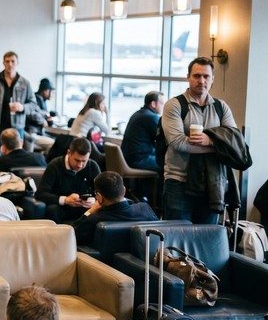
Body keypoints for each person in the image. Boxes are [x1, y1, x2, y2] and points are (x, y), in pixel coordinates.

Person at [162, 57, 237, 224]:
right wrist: (219, 146)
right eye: (196, 76)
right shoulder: (174, 105)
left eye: (206, 76)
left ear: (212, 79)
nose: (201, 81)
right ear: (188, 77)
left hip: (212, 183)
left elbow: (234, 141)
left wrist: (209, 141)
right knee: (177, 238)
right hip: (179, 181)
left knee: (206, 238)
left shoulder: (221, 106)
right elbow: (178, 143)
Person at [0, 51, 37, 159]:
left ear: (17, 63)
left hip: (16, 128)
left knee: (16, 158)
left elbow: (33, 104)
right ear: (3, 63)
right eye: (7, 61)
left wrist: (22, 107)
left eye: (13, 61)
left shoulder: (24, 83)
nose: (10, 64)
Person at [72, 172, 158, 246]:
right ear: (124, 190)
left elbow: (69, 236)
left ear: (99, 197)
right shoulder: (144, 208)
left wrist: (89, 212)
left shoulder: (94, 219)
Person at [37, 137, 101, 224]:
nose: (80, 165)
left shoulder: (92, 166)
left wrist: (93, 200)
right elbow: (40, 194)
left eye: (84, 161)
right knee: (52, 210)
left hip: (83, 208)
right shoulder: (55, 166)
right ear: (69, 153)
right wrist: (65, 200)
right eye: (77, 160)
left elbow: (101, 192)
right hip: (61, 208)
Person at [120, 91, 165, 172]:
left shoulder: (138, 114)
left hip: (129, 158)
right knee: (170, 165)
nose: (163, 106)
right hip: (140, 159)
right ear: (153, 104)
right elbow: (164, 137)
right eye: (162, 103)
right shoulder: (151, 117)